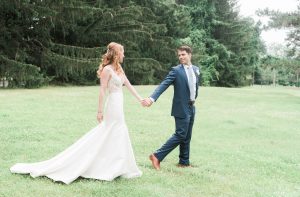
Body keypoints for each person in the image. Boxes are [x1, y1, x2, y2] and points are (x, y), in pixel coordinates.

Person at [10, 42, 143, 184]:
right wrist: (99, 111)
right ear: (117, 54)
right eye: (122, 52)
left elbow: (128, 84)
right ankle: (105, 165)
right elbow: (102, 91)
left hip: (119, 103)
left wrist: (141, 99)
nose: (124, 54)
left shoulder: (119, 69)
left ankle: (118, 166)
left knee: (118, 132)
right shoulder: (107, 70)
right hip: (112, 105)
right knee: (111, 130)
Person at [142, 45, 200, 170]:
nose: (181, 57)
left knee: (187, 136)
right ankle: (156, 156)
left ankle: (184, 162)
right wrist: (152, 98)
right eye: (179, 55)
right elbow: (164, 84)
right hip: (181, 107)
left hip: (192, 107)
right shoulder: (176, 71)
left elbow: (195, 88)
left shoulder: (196, 69)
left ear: (190, 55)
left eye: (183, 54)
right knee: (180, 134)